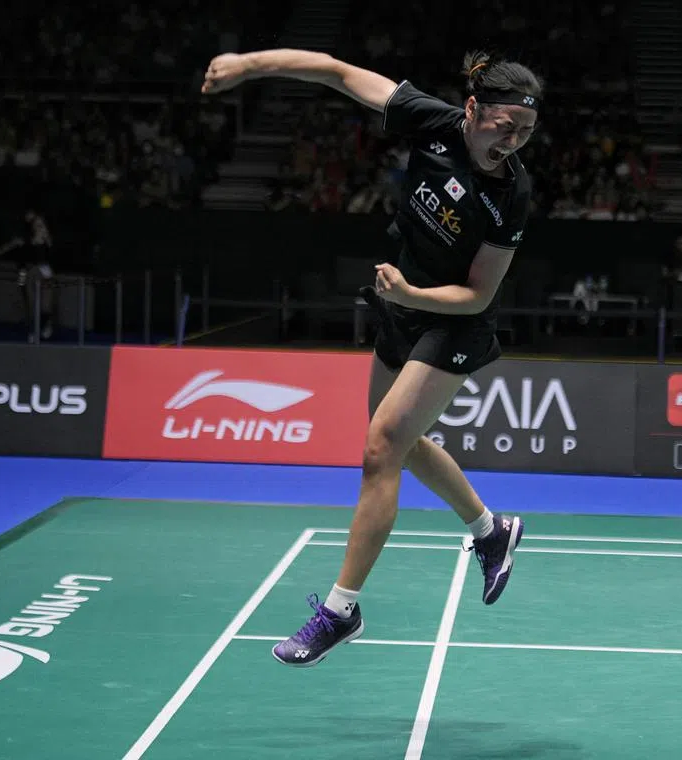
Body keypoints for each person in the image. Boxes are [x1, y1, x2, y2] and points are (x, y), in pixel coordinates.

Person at [203, 47, 543, 667]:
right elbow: (334, 71)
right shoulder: (430, 121)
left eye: (526, 132)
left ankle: (340, 610)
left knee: (382, 445)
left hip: (455, 321)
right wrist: (249, 64)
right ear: (471, 109)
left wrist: (412, 293)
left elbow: (477, 295)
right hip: (402, 305)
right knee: (400, 444)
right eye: (504, 127)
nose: (513, 142)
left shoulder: (512, 192)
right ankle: (491, 531)